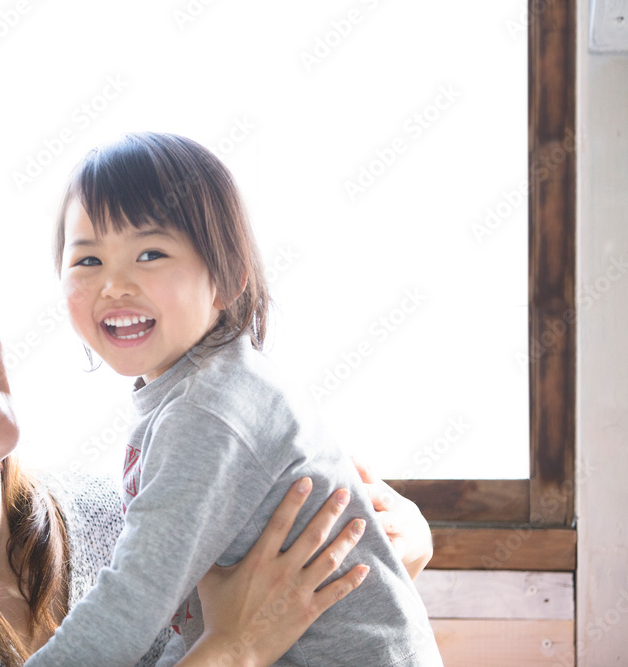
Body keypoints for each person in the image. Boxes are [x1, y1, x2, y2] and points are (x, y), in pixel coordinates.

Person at [0, 239, 432, 666]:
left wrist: (372, 551)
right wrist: (235, 649)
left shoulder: (100, 510)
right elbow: (243, 627)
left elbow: (272, 591)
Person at [45, 132, 444, 665]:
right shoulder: (195, 388)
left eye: (150, 253)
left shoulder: (208, 410)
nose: (114, 284)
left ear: (228, 278)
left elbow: (129, 605)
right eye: (88, 260)